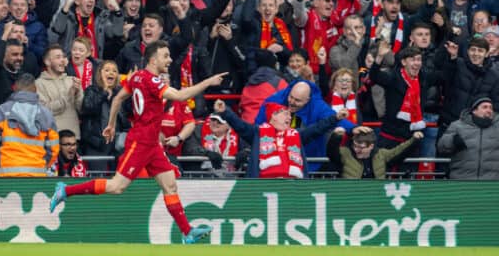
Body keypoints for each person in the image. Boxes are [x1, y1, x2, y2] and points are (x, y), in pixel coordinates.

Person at [50, 40, 228, 244]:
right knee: (117, 186)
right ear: (153, 60)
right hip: (141, 142)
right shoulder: (153, 81)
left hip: (152, 144)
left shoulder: (137, 78)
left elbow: (118, 99)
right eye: (165, 56)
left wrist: (111, 125)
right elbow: (180, 96)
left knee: (170, 185)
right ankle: (65, 190)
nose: (169, 60)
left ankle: (187, 232)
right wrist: (208, 81)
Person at [214, 98, 349, 178]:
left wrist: (335, 118)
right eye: (285, 114)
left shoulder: (297, 134)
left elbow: (318, 128)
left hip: (293, 188)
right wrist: (225, 112)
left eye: (290, 115)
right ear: (273, 116)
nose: (289, 118)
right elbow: (240, 125)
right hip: (264, 187)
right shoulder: (258, 132)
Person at [0, 73, 59, 177]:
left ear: (15, 88)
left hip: (7, 174)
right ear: (35, 89)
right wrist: (43, 166)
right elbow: (53, 150)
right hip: (37, 175)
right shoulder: (46, 114)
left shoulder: (1, 111)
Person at [80, 60, 126, 173]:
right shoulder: (92, 90)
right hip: (96, 143)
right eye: (107, 70)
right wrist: (104, 93)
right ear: (100, 74)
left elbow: (126, 118)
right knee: (98, 178)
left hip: (116, 144)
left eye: (114, 71)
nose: (111, 73)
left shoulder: (121, 94)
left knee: (117, 178)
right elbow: (87, 109)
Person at [327, 126, 424, 179]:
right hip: (352, 197)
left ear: (371, 146)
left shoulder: (381, 154)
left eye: (361, 147)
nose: (357, 150)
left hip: (376, 199)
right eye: (355, 145)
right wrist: (336, 136)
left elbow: (399, 151)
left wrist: (414, 139)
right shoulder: (346, 153)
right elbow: (331, 153)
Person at [437, 97, 499, 179]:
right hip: (462, 180)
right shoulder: (457, 126)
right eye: (485, 107)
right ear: (474, 111)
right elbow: (441, 147)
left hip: (491, 183)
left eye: (491, 107)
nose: (489, 110)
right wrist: (452, 141)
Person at [36, 44, 84, 139]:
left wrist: (78, 93)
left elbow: (81, 109)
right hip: (52, 138)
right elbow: (44, 111)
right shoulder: (38, 84)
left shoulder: (72, 80)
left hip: (74, 138)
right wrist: (69, 95)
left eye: (63, 57)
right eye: (58, 57)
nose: (63, 60)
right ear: (47, 62)